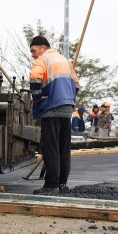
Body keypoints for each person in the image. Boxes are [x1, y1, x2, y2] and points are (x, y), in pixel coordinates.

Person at [28, 35, 79, 195]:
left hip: (51, 108)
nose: (33, 54)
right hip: (67, 109)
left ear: (43, 48)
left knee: (50, 148)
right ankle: (62, 184)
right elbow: (76, 85)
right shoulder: (65, 60)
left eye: (33, 50)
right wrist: (69, 99)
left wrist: (37, 98)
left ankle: (51, 185)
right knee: (64, 148)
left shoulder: (43, 59)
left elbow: (34, 78)